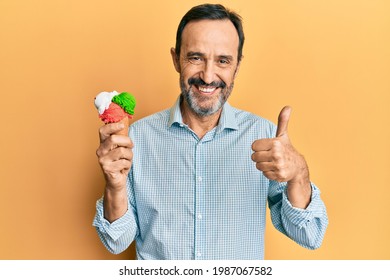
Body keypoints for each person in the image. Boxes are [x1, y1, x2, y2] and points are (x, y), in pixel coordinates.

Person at [93, 3, 328, 260]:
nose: (207, 76)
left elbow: (310, 234)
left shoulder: (265, 137)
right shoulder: (137, 139)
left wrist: (298, 174)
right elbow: (116, 241)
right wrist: (115, 186)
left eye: (223, 60)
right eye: (196, 57)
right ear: (176, 59)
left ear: (236, 66)